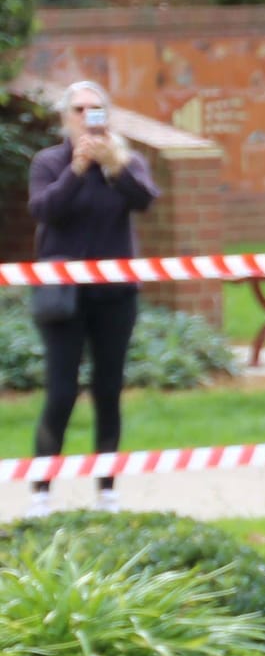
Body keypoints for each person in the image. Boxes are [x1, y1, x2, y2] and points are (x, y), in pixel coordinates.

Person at [25, 81, 157, 517]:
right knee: (61, 391)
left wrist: (115, 167)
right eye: (78, 110)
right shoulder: (49, 162)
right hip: (63, 295)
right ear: (66, 117)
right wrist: (77, 168)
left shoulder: (126, 160)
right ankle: (42, 489)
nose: (87, 117)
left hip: (115, 294)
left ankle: (107, 490)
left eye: (95, 110)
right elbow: (45, 209)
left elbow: (144, 202)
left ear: (107, 116)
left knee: (108, 388)